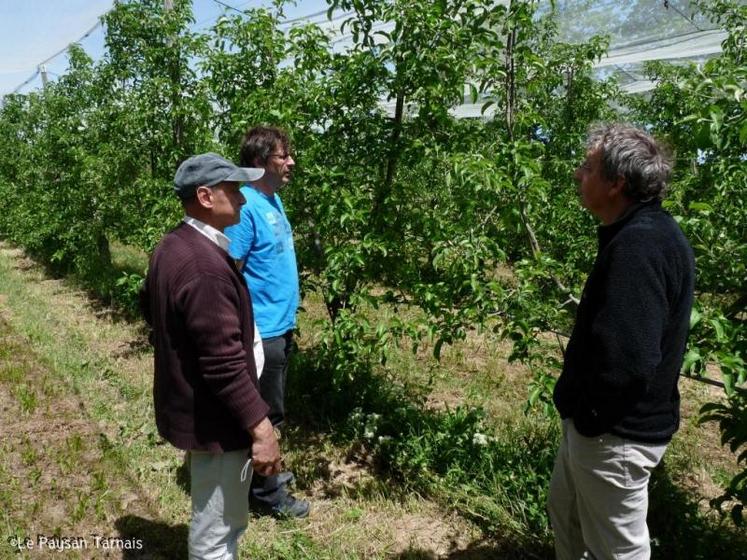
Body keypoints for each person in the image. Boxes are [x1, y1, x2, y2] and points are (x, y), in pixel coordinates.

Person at [548, 124, 695, 560]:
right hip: (599, 427)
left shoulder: (639, 246)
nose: (577, 175)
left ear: (616, 183)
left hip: (614, 435)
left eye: (588, 167)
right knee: (568, 515)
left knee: (618, 552)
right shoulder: (642, 233)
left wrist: (591, 420)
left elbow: (630, 361)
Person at [140, 153, 282, 559]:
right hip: (219, 420)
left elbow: (148, 306)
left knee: (216, 517)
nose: (243, 198)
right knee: (217, 534)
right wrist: (261, 428)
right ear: (205, 196)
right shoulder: (204, 266)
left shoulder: (174, 245)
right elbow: (223, 365)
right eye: (234, 189)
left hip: (202, 408)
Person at [224, 126, 309, 519]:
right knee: (264, 415)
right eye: (282, 156)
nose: (291, 161)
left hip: (280, 325)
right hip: (263, 331)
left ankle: (259, 481)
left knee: (269, 408)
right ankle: (267, 494)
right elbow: (230, 272)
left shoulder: (272, 200)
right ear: (259, 163)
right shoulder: (247, 209)